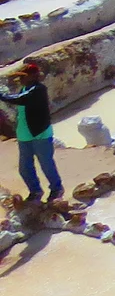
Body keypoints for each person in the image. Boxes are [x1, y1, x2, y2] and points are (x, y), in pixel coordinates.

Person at [1, 61, 60, 202]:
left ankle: (56, 189)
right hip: (24, 134)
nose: (20, 79)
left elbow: (19, 100)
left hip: (40, 134)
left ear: (33, 76)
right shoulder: (25, 89)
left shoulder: (38, 90)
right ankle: (35, 191)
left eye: (23, 76)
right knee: (25, 168)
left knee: (46, 164)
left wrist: (1, 95)